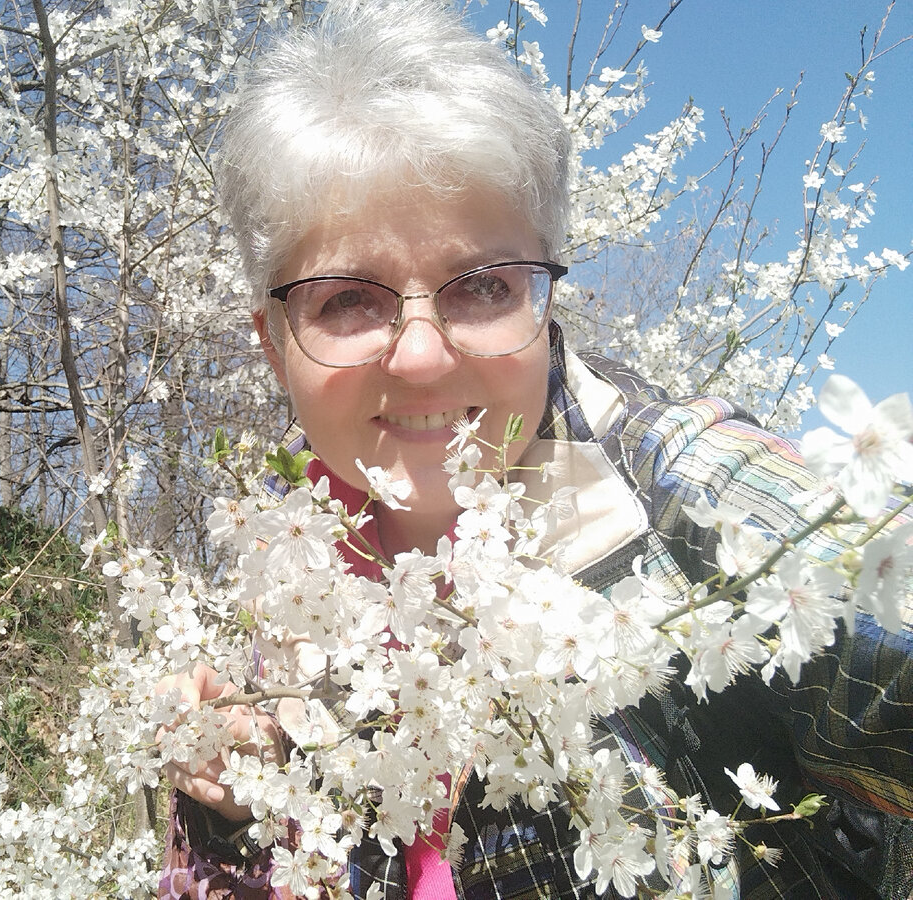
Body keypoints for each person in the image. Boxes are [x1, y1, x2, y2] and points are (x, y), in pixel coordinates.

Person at [157, 2, 913, 897]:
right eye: (346, 300)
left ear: (544, 300)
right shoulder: (279, 586)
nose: (422, 355)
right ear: (274, 342)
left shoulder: (683, 487)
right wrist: (239, 806)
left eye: (482, 286)